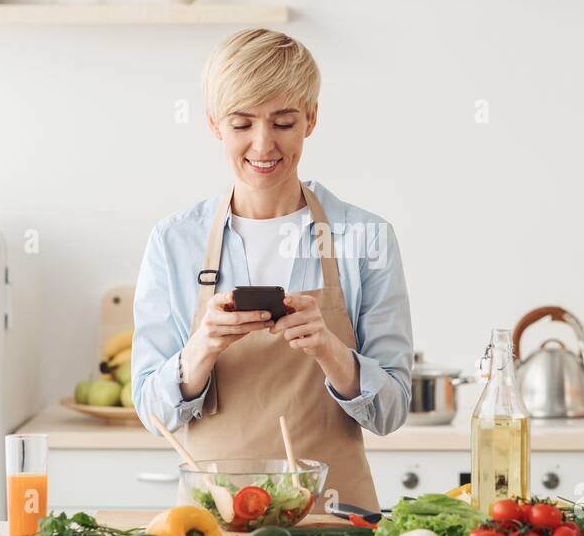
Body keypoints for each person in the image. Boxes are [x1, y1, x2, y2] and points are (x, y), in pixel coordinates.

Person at [132, 28, 413, 510]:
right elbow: (150, 410)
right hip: (213, 522)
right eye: (242, 124)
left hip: (335, 524)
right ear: (214, 124)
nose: (263, 145)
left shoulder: (365, 237)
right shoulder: (174, 241)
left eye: (284, 122)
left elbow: (392, 411)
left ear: (312, 119)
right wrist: (203, 347)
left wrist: (330, 350)